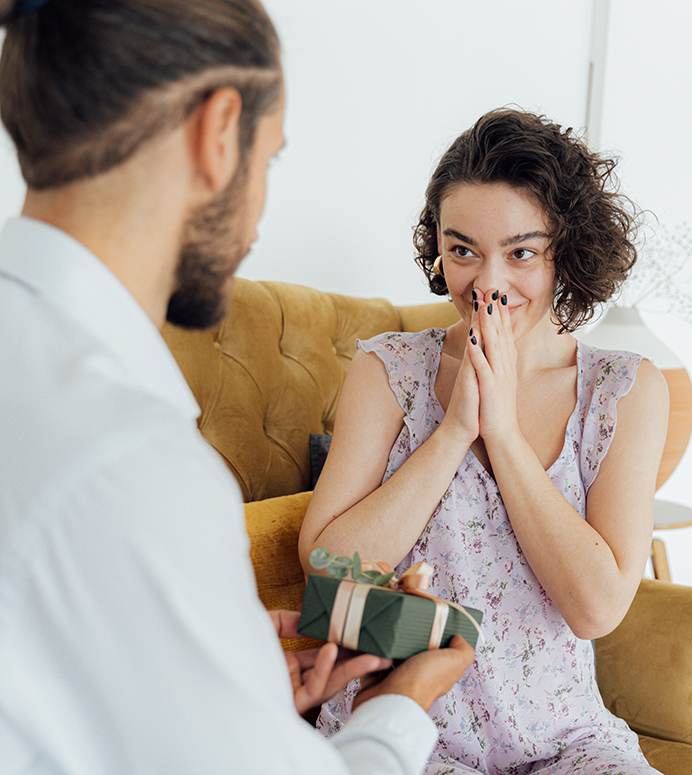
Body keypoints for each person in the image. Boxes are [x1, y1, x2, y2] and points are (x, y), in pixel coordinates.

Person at [0, 0, 474, 772]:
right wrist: (398, 707)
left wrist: (221, 689)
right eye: (270, 158)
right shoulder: (133, 461)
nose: (257, 215)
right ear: (218, 133)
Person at [299, 109, 670, 774]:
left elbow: (595, 608)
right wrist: (454, 430)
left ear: (569, 250)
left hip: (567, 738)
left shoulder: (623, 390)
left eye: (521, 252)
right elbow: (328, 565)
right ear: (437, 248)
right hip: (405, 731)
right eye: (463, 249)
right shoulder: (387, 370)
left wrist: (501, 431)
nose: (487, 282)